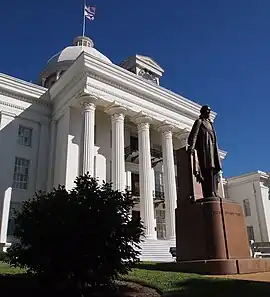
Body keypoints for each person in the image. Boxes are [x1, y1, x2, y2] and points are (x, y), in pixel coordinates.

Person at [187, 105, 222, 198]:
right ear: (203, 112)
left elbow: (214, 138)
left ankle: (214, 192)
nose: (209, 113)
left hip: (212, 150)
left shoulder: (210, 124)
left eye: (210, 111)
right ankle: (208, 192)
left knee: (214, 171)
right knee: (208, 170)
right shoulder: (199, 122)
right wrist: (192, 147)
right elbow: (193, 135)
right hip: (205, 149)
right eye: (207, 111)